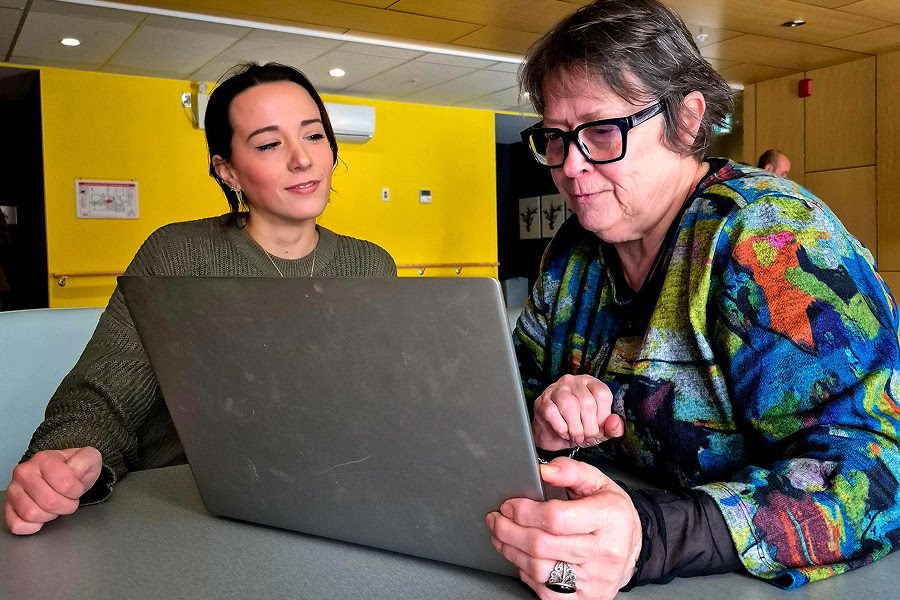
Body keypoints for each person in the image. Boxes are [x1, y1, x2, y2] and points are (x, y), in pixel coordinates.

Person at [486, 1, 900, 598]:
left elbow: (880, 467)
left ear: (685, 119)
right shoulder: (573, 251)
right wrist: (543, 419)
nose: (570, 166)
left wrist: (652, 537)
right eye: (555, 137)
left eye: (601, 131)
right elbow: (506, 394)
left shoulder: (770, 240)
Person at [5, 63, 396, 535]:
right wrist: (68, 456)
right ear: (227, 171)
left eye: (313, 136)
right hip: (182, 510)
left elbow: (376, 407)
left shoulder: (371, 265)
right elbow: (102, 395)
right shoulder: (177, 254)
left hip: (325, 504)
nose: (302, 159)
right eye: (269, 144)